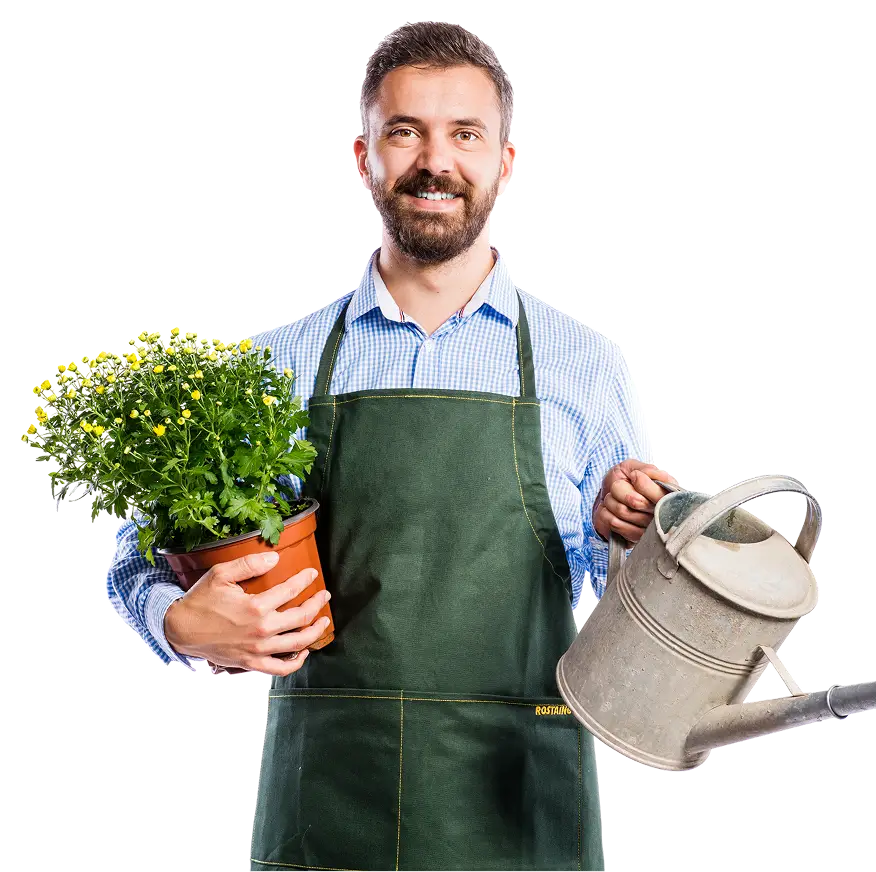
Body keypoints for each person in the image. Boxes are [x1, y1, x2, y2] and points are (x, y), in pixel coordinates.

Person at [105, 20, 678, 872]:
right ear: (363, 155)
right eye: (404, 131)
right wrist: (178, 622)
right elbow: (136, 552)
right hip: (329, 802)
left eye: (464, 134)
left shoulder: (584, 364)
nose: (433, 161)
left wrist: (629, 535)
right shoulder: (279, 361)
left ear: (505, 162)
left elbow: (633, 616)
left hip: (522, 799)